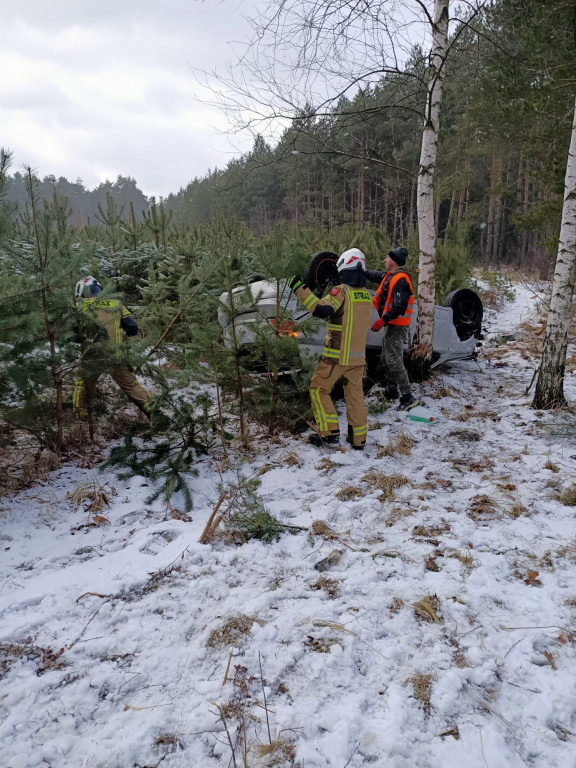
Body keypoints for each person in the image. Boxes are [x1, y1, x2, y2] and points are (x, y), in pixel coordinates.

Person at [288, 248, 373, 449]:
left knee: (318, 390)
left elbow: (320, 310)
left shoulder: (341, 292)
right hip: (358, 359)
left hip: (336, 356)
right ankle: (359, 440)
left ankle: (329, 434)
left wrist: (299, 287)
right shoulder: (366, 296)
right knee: (355, 396)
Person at [73, 276, 153, 420]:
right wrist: (125, 343)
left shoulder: (79, 308)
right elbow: (133, 328)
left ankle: (80, 421)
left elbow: (73, 335)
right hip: (117, 355)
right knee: (133, 388)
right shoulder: (116, 304)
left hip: (92, 356)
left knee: (82, 385)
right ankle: (157, 415)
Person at [365, 246, 420, 411]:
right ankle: (391, 390)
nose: (385, 260)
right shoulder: (391, 276)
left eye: (387, 257)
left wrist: (382, 321)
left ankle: (407, 397)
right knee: (386, 358)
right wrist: (360, 270)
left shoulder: (401, 280)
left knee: (394, 360)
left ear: (394, 261)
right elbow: (376, 275)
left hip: (397, 326)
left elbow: (400, 306)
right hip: (392, 325)